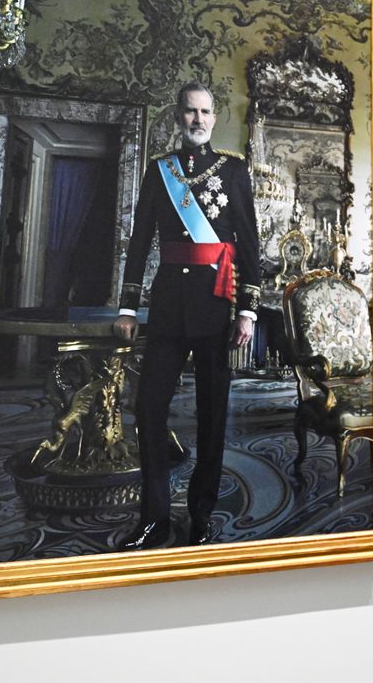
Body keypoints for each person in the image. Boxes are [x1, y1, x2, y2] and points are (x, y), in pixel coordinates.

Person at [114, 82, 261, 550]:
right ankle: (153, 516)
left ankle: (201, 515)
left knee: (213, 415)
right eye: (190, 112)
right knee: (149, 409)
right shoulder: (159, 172)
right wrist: (127, 305)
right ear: (178, 116)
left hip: (217, 308)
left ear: (214, 118)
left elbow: (250, 243)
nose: (198, 120)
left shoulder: (234, 172)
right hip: (168, 306)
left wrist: (248, 311)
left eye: (205, 112)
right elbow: (139, 241)